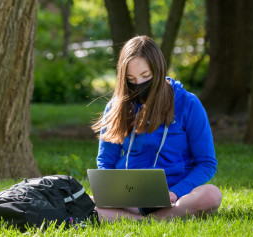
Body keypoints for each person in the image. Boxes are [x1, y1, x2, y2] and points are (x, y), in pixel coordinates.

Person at [91, 35, 222, 222]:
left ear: (159, 71)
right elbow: (106, 161)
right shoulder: (116, 106)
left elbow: (207, 163)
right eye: (131, 79)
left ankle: (130, 218)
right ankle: (148, 218)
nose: (138, 85)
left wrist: (176, 193)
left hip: (175, 195)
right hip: (129, 195)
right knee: (85, 203)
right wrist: (115, 193)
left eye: (145, 76)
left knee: (211, 194)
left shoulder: (188, 103)